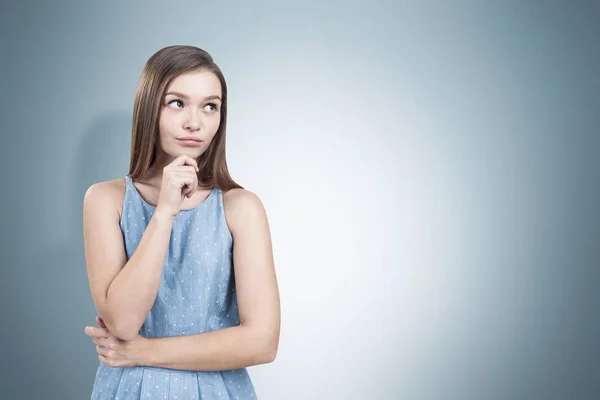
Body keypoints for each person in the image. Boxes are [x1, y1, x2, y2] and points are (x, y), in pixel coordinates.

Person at [82, 45, 280, 399]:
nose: (195, 122)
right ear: (149, 108)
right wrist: (165, 212)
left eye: (210, 106)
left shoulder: (241, 208)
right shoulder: (105, 200)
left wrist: (142, 352)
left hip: (217, 391)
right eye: (177, 103)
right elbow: (124, 322)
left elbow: (262, 342)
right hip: (131, 389)